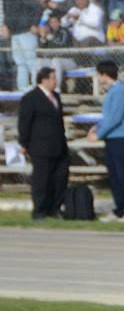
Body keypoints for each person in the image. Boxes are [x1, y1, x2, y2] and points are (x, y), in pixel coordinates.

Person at [89, 60, 124, 222]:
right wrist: (96, 127)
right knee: (114, 175)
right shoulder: (112, 91)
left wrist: (99, 134)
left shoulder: (119, 91)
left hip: (121, 138)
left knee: (123, 174)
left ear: (104, 74)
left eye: (99, 74)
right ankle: (120, 208)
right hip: (112, 138)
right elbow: (108, 116)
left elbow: (115, 118)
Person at [17, 67, 69, 221]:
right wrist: (24, 143)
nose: (55, 81)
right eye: (53, 78)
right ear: (44, 80)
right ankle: (39, 210)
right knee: (42, 180)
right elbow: (24, 123)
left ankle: (55, 208)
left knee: (60, 178)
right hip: (40, 146)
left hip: (59, 145)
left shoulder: (56, 97)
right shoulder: (31, 98)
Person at [3, 0, 40, 92]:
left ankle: (36, 88)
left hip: (26, 32)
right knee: (19, 62)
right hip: (14, 33)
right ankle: (22, 89)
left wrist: (34, 24)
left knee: (31, 61)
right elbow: (6, 14)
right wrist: (6, 26)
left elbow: (37, 8)